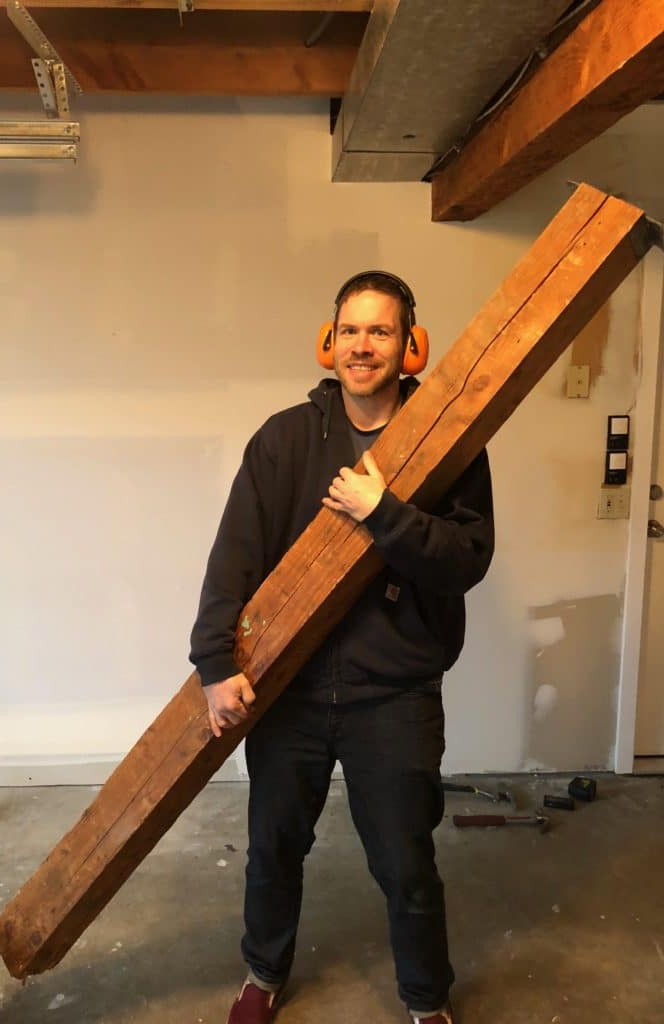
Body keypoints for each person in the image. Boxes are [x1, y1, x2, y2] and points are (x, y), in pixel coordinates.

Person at [189, 271, 494, 1024]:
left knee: (406, 862)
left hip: (394, 693)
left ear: (411, 347)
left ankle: (427, 1002)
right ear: (329, 343)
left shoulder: (451, 443)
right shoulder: (284, 440)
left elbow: (466, 560)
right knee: (273, 849)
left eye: (381, 331)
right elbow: (235, 555)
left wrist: (383, 513)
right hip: (286, 687)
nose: (363, 346)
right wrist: (215, 662)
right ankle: (263, 975)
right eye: (350, 331)